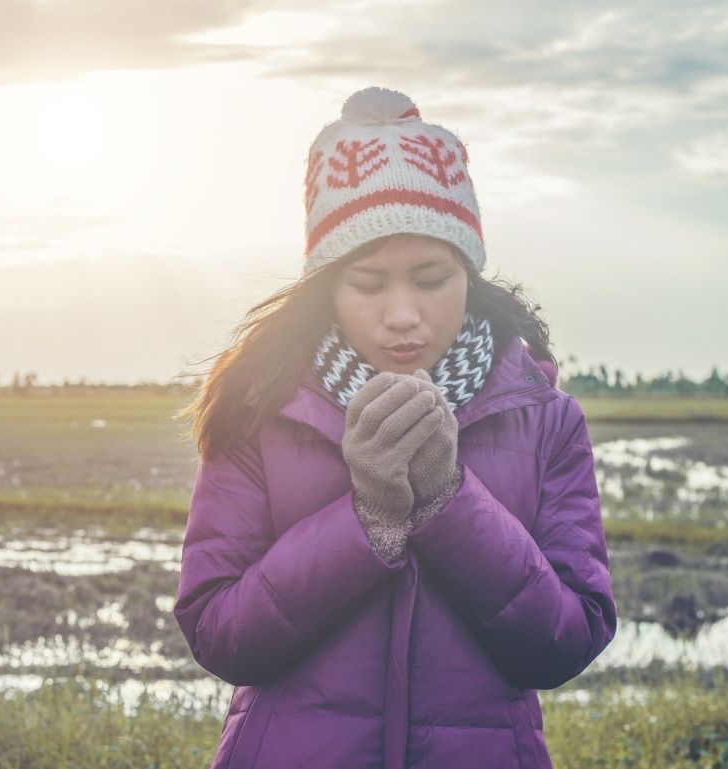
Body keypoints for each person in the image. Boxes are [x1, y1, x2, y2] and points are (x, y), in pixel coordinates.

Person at [173, 86, 617, 769]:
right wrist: (369, 520)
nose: (403, 314)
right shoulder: (259, 410)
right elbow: (219, 634)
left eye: (432, 277)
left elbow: (563, 643)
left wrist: (447, 499)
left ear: (468, 273)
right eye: (369, 283)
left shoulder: (544, 417)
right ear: (327, 285)